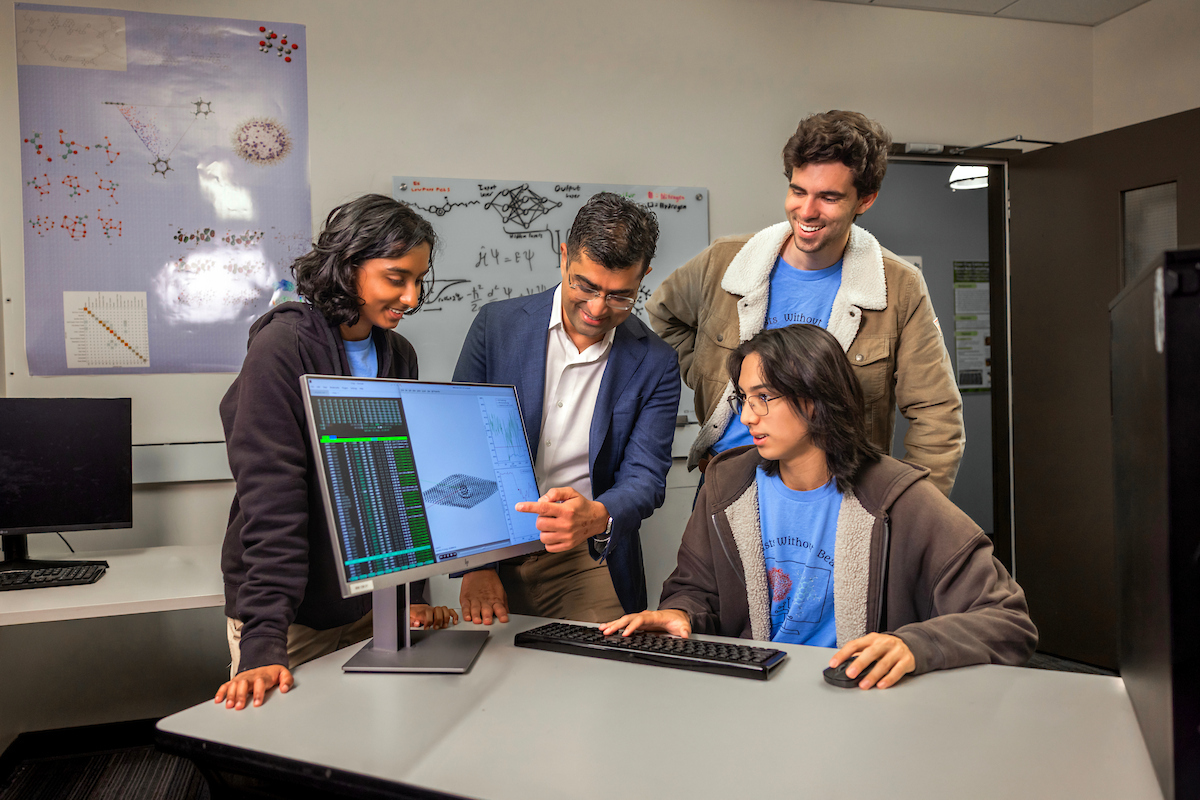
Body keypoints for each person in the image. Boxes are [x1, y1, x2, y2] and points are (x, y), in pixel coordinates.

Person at [603, 325, 1036, 689]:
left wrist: (914, 645)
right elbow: (695, 591)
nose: (748, 418)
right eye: (744, 400)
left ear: (815, 396)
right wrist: (680, 615)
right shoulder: (725, 483)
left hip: (855, 698)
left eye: (763, 398)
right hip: (753, 695)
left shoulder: (901, 497)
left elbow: (1007, 620)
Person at [216, 194, 459, 710]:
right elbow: (271, 499)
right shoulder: (282, 349)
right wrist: (263, 641)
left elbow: (398, 491)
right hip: (291, 617)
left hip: (375, 607)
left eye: (419, 280)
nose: (412, 297)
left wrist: (414, 598)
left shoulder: (399, 355)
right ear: (348, 267)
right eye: (396, 278)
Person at [647, 110, 965, 496]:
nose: (807, 211)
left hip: (841, 492)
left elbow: (937, 414)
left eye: (829, 197)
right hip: (726, 481)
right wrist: (713, 377)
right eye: (798, 191)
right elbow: (664, 315)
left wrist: (914, 510)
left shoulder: (899, 286)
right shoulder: (724, 261)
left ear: (865, 200)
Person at [453, 192, 680, 625]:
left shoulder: (656, 361)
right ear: (564, 257)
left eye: (619, 296)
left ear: (644, 276)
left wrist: (596, 515)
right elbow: (462, 447)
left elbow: (646, 478)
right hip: (496, 550)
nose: (597, 309)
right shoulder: (495, 326)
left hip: (587, 555)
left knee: (606, 680)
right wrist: (477, 564)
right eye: (586, 286)